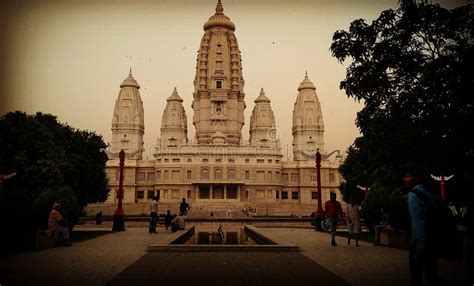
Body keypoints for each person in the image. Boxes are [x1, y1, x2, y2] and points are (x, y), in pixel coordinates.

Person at [404, 169, 444, 286]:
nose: (404, 179)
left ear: (416, 178)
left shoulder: (412, 195)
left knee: (416, 279)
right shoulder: (427, 192)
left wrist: (419, 248)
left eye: (408, 176)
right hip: (431, 241)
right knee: (432, 276)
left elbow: (417, 224)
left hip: (419, 245)